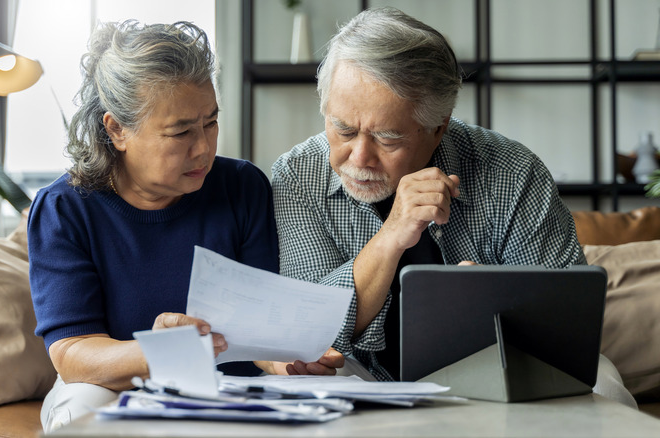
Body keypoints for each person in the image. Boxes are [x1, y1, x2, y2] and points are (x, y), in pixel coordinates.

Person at [271, 7, 637, 407]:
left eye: (387, 139)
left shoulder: (514, 172)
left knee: (605, 386)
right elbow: (306, 329)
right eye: (342, 130)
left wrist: (494, 304)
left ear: (438, 127)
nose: (359, 158)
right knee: (305, 385)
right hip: (359, 372)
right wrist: (392, 234)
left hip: (499, 365)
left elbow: (571, 325)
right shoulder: (296, 176)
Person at [28, 20, 340, 433]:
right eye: (181, 133)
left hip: (229, 385)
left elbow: (256, 332)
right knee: (82, 413)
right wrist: (160, 352)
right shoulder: (64, 208)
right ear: (117, 129)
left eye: (211, 123)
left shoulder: (242, 187)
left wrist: (286, 358)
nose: (205, 148)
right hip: (110, 386)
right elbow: (72, 354)